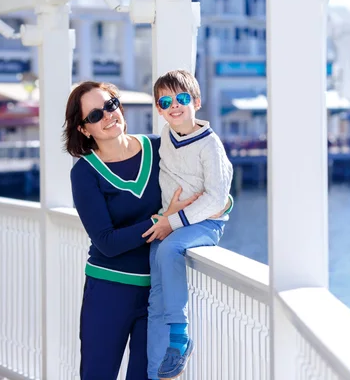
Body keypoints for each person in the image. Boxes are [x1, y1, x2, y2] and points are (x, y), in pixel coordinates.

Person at [63, 81, 230, 380]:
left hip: (157, 293)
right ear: (84, 129)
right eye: (94, 115)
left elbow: (209, 186)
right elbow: (106, 243)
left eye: (111, 105)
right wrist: (161, 221)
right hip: (109, 291)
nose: (108, 116)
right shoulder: (85, 172)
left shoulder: (160, 146)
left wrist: (223, 203)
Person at [142, 69, 233, 379]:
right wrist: (167, 218)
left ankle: (179, 336)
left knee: (169, 252)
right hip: (172, 222)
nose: (174, 106)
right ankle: (156, 373)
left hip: (205, 223)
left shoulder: (210, 144)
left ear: (197, 101)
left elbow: (217, 198)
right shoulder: (166, 137)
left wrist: (173, 221)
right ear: (158, 108)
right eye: (165, 101)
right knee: (155, 298)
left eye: (181, 99)